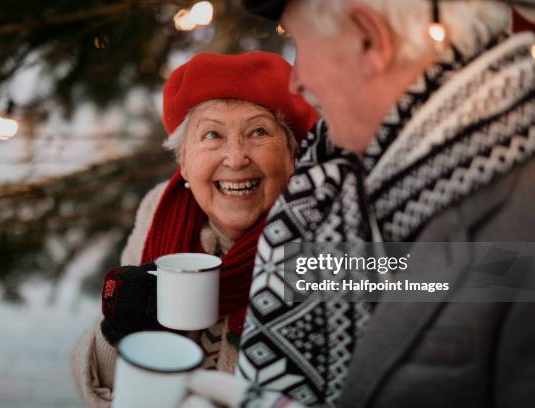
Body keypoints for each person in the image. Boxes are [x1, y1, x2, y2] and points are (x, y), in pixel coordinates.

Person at [181, 1, 535, 407]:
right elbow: (413, 274)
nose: (297, 82)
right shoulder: (357, 186)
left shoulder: (518, 223)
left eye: (301, 43)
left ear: (370, 40)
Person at [70, 51, 317, 408]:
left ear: (291, 157)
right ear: (184, 162)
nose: (235, 158)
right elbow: (108, 388)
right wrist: (119, 330)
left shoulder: (325, 230)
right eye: (212, 135)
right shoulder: (158, 212)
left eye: (258, 132)